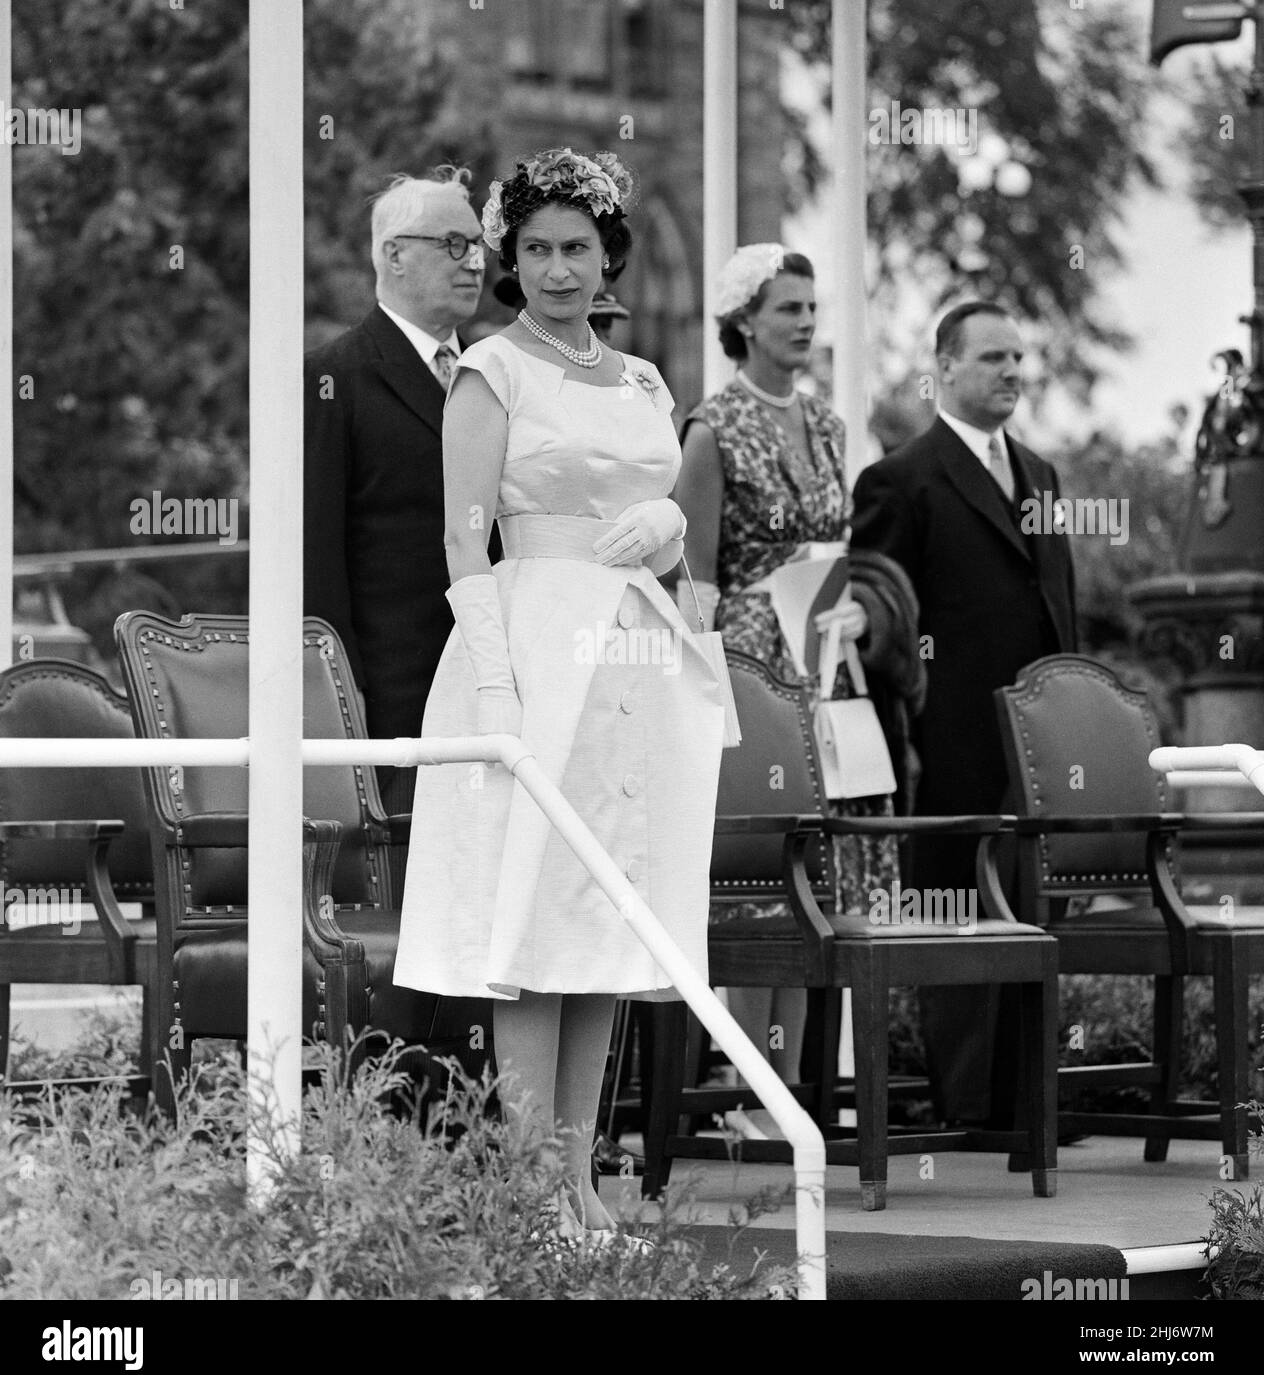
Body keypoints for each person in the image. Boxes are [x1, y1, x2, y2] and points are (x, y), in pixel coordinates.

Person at [392, 149, 726, 1240]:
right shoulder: (493, 369)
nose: (556, 269)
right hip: (533, 648)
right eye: (533, 249)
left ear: (607, 254)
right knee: (532, 914)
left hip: (632, 652)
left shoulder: (640, 381)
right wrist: (495, 679)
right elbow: (461, 533)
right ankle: (533, 1191)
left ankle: (583, 1183)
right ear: (510, 260)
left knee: (606, 916)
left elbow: (669, 528)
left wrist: (673, 533)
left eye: (575, 248)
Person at [672, 244, 924, 1141]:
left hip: (828, 663)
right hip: (750, 669)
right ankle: (749, 1097)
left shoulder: (827, 425)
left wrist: (857, 609)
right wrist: (703, 684)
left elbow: (840, 547)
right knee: (758, 879)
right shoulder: (709, 427)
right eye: (788, 309)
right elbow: (692, 576)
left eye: (812, 308)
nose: (807, 323)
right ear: (744, 321)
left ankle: (804, 1094)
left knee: (824, 871)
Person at [849, 300, 1077, 1128]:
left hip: (1035, 748)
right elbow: (879, 627)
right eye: (992, 359)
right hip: (944, 747)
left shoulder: (1044, 477)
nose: (1011, 372)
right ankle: (967, 1112)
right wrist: (897, 748)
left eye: (1018, 358)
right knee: (953, 919)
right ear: (943, 367)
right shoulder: (898, 480)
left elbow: (1059, 606)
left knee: (1031, 920)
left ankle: (1028, 1108)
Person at [304, 167, 485, 816]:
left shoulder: (496, 379)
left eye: (480, 245)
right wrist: (338, 699)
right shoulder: (333, 378)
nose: (475, 264)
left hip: (495, 688)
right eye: (454, 245)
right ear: (395, 255)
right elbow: (316, 558)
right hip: (389, 706)